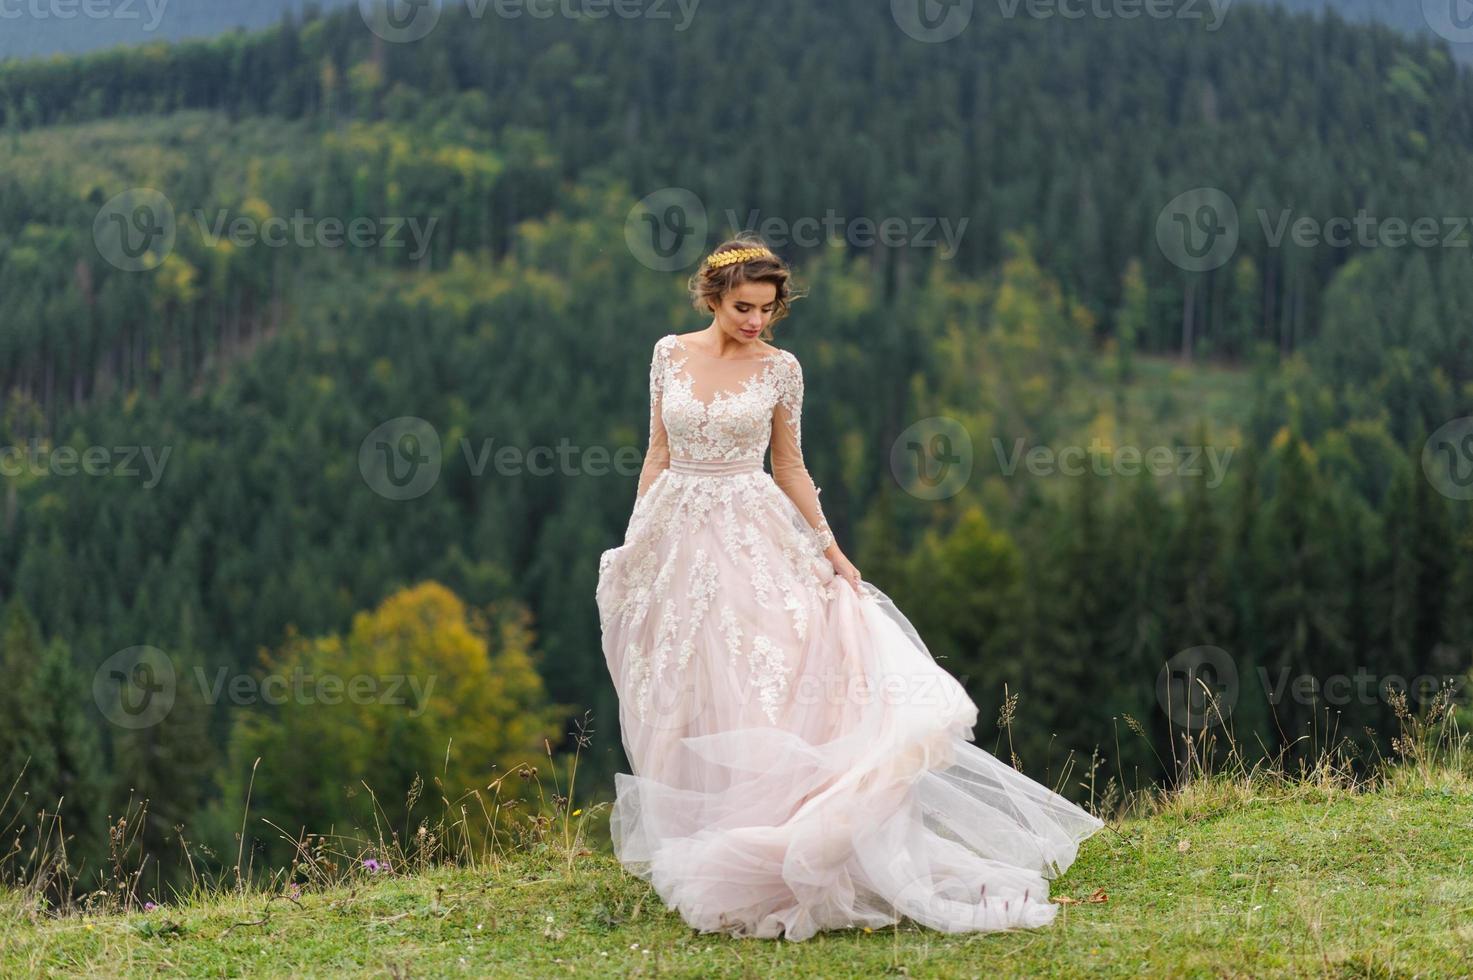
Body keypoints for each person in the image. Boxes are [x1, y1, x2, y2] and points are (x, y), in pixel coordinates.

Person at [596, 235, 1105, 941]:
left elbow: (791, 465)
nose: (754, 322)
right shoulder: (667, 353)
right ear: (710, 297)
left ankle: (779, 843)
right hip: (675, 532)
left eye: (767, 310)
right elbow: (656, 449)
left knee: (764, 678)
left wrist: (830, 547)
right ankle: (707, 835)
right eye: (742, 307)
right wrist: (636, 542)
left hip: (752, 528)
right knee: (681, 684)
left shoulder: (780, 369)